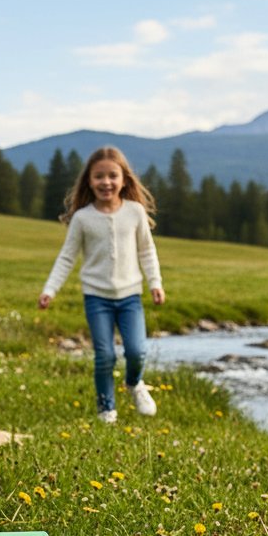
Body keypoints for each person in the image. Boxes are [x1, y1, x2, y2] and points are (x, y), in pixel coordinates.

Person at [38, 146, 165, 423]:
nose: (106, 182)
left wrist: (155, 282)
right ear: (89, 181)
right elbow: (67, 257)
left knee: (136, 351)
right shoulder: (83, 218)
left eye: (112, 176)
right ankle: (106, 407)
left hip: (130, 294)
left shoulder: (135, 212)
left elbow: (147, 250)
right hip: (97, 297)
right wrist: (50, 289)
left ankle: (134, 384)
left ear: (124, 180)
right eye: (98, 176)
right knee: (104, 354)